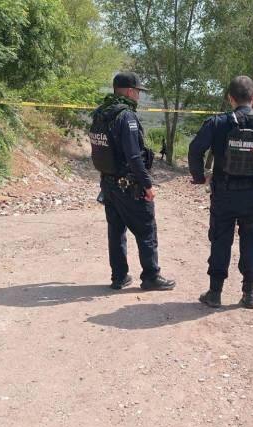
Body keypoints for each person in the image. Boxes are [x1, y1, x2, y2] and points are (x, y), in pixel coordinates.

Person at [188, 75, 253, 309]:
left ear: (229, 98)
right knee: (251, 242)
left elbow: (195, 150)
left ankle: (214, 293)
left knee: (220, 240)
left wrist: (200, 177)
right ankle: (249, 295)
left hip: (224, 194)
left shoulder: (217, 123)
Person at [89, 72, 175, 291]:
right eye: (137, 91)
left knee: (116, 230)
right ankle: (151, 276)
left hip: (108, 182)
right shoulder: (125, 116)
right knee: (146, 228)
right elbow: (134, 156)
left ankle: (119, 277)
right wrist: (147, 185)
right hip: (128, 184)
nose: (138, 95)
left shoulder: (101, 113)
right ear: (129, 91)